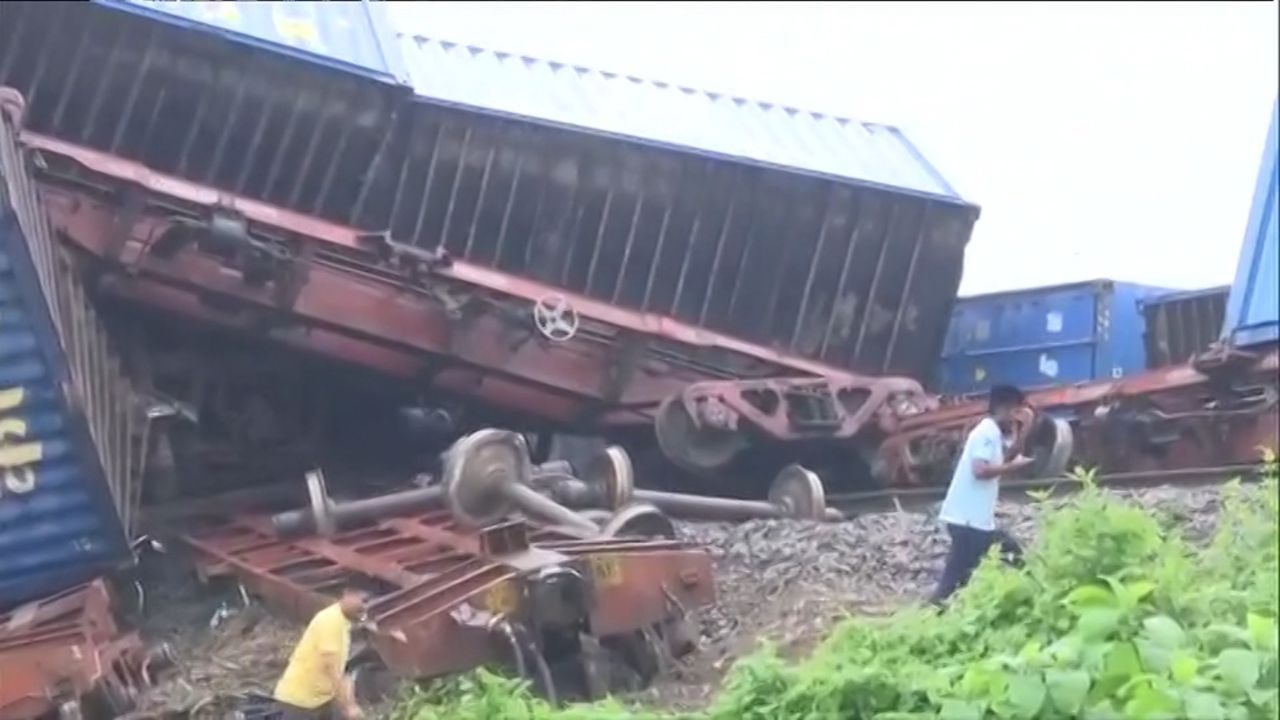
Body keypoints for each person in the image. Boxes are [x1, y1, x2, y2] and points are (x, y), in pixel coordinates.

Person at [929, 384, 1035, 606]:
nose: (1016, 416)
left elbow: (1008, 457)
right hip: (967, 521)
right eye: (1015, 411)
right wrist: (1012, 468)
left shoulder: (995, 432)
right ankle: (929, 617)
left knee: (1012, 554)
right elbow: (980, 471)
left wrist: (1023, 429)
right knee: (955, 581)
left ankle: (1035, 594)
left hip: (978, 521)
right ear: (1002, 407)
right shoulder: (985, 432)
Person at [274, 584, 369, 719]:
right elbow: (333, 669)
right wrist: (349, 706)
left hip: (321, 699)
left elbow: (343, 671)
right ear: (347, 594)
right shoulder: (330, 621)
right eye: (363, 600)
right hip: (301, 701)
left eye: (368, 603)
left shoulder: (343, 621)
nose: (365, 607)